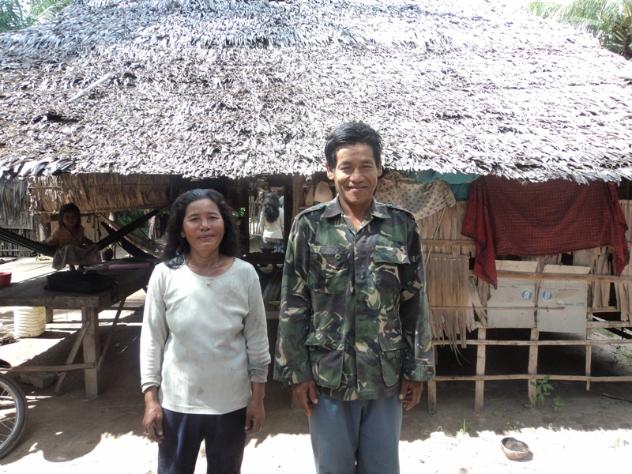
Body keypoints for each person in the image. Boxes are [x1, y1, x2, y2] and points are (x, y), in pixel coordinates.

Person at [274, 122, 434, 474]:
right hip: (328, 378)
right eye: (346, 167)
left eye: (366, 166)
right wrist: (297, 374)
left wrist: (417, 369)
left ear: (379, 169)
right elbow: (293, 303)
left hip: (385, 377)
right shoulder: (309, 225)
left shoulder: (402, 225)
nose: (356, 177)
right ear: (331, 171)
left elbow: (415, 302)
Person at [140, 189, 270, 474]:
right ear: (181, 230)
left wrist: (257, 399)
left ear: (225, 224)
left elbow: (258, 341)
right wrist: (151, 400)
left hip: (231, 403)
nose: (205, 226)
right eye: (194, 219)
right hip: (177, 403)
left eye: (213, 217)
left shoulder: (245, 274)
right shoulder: (165, 274)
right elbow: (152, 340)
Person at [44, 202, 99, 270]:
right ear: (62, 219)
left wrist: (89, 243)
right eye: (67, 217)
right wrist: (45, 243)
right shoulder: (59, 230)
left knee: (94, 247)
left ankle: (81, 266)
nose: (70, 220)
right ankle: (71, 266)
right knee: (69, 248)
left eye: (73, 217)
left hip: (78, 250)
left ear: (78, 218)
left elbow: (82, 239)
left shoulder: (80, 229)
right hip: (64, 252)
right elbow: (52, 239)